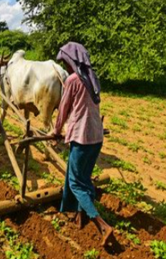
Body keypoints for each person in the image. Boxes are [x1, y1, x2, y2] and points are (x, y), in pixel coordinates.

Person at [50, 42, 113, 244]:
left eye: (66, 62)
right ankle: (78, 216)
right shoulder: (91, 77)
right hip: (96, 137)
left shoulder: (73, 79)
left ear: (72, 61)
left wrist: (55, 131)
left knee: (76, 182)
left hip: (81, 138)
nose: (66, 66)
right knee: (80, 176)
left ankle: (101, 225)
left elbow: (63, 109)